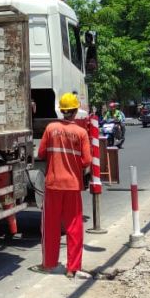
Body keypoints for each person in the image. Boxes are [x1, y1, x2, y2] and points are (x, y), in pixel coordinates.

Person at [33, 92, 92, 277]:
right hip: (73, 186)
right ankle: (72, 268)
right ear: (75, 111)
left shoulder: (51, 129)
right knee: (74, 227)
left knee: (50, 227)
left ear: (61, 111)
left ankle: (49, 263)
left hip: (53, 184)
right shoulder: (81, 133)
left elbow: (41, 153)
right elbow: (86, 161)